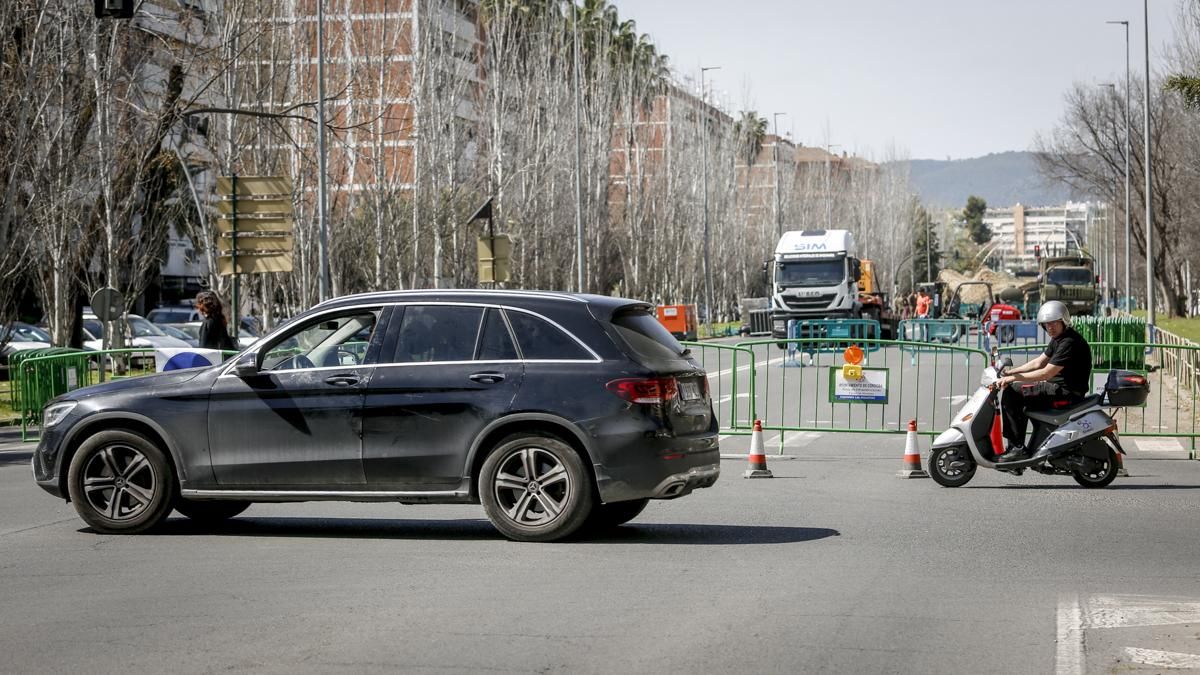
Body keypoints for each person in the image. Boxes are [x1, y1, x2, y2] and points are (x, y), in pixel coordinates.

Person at [994, 301, 1092, 462]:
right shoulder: (1059, 339)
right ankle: (1029, 446)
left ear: (1063, 321)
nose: (1050, 328)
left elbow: (1046, 373)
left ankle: (1016, 448)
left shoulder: (1069, 342)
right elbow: (1038, 362)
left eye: (1054, 323)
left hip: (1065, 391)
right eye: (1046, 324)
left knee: (1012, 392)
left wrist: (1012, 379)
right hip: (1057, 388)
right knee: (1018, 393)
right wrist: (1010, 371)